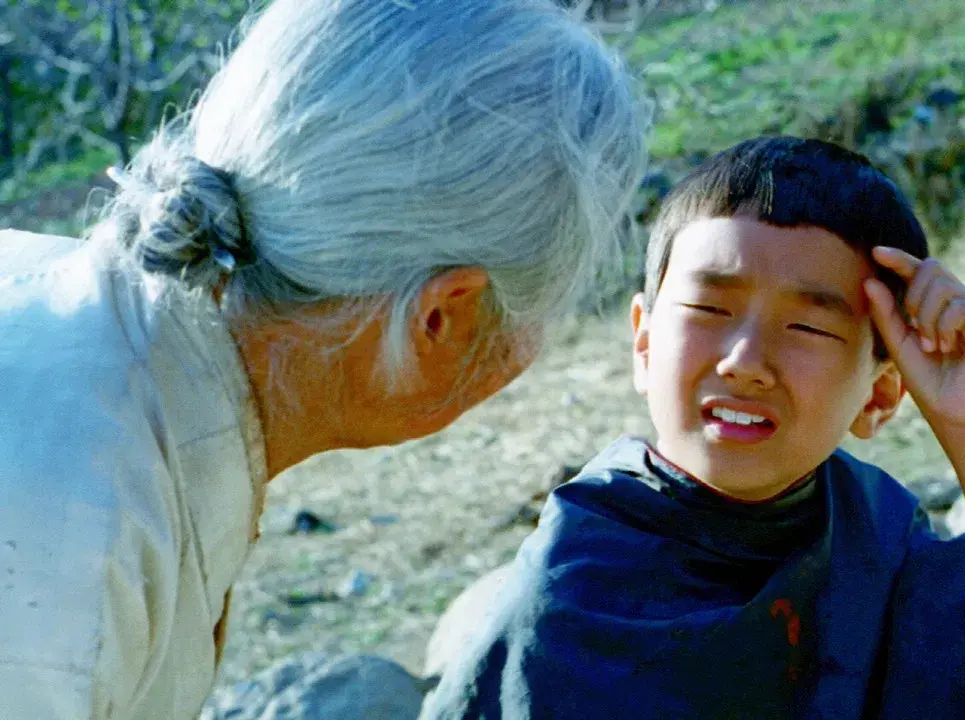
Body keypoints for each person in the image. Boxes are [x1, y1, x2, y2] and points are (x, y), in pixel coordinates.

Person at [0, 0, 648, 717]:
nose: (535, 343)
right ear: (442, 316)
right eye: (544, 312)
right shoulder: (76, 539)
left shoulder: (102, 362)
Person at [424, 136, 965, 719]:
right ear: (643, 343)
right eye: (710, 311)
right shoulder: (573, 588)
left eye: (807, 327)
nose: (746, 361)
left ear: (882, 391)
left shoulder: (879, 547)